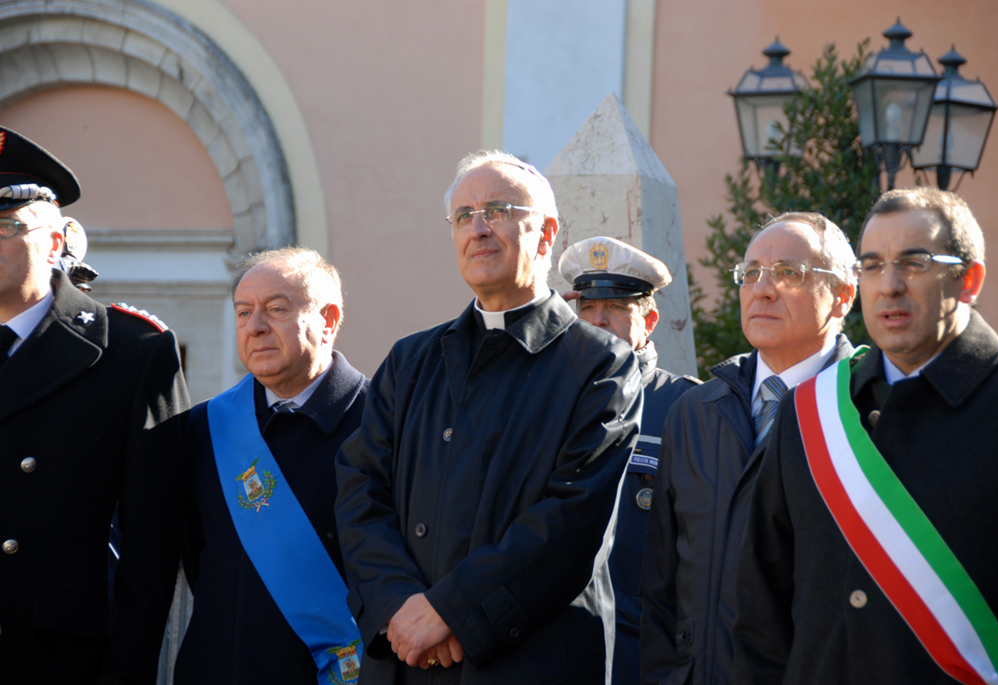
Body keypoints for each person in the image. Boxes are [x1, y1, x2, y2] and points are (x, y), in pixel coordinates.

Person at [334, 150, 643, 684]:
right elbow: (360, 490)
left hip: (530, 660)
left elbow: (572, 518)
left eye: (497, 210)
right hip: (405, 657)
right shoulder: (411, 360)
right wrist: (400, 607)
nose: (477, 229)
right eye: (463, 215)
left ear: (546, 233)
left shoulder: (601, 364)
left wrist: (451, 613)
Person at [734, 189, 998, 684]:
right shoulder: (808, 413)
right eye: (872, 265)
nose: (889, 286)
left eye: (914, 263)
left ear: (969, 279)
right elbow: (760, 612)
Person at [0, 126, 189, 684]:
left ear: (56, 241)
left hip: (59, 658)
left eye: (8, 226)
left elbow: (153, 552)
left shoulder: (132, 349)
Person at [640, 212, 858, 685]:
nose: (763, 288)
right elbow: (660, 583)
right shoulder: (694, 411)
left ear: (842, 295)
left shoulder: (865, 412)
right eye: (751, 273)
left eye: (788, 274)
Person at [176, 247, 368, 685]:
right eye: (244, 313)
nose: (255, 326)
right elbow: (198, 555)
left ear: (329, 319)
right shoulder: (204, 428)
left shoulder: (384, 425)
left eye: (276, 309)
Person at [559, 235, 701, 685]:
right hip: (554, 653)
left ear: (650, 320)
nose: (599, 321)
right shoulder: (544, 407)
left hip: (643, 658)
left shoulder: (688, 408)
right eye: (588, 308)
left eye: (618, 307)